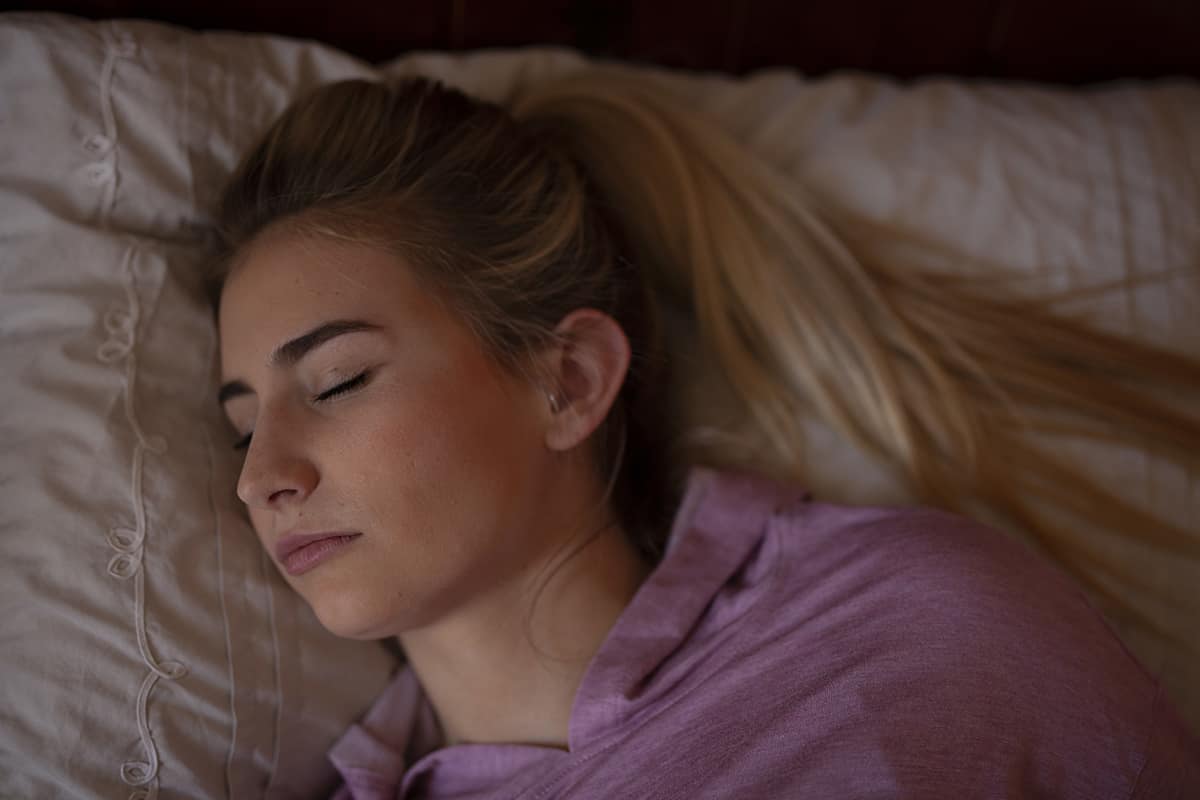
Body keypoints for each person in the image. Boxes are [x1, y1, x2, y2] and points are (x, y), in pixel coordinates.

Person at [208, 72, 1200, 797]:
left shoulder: (928, 628)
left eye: (338, 381)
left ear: (569, 380)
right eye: (241, 425)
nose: (261, 475)